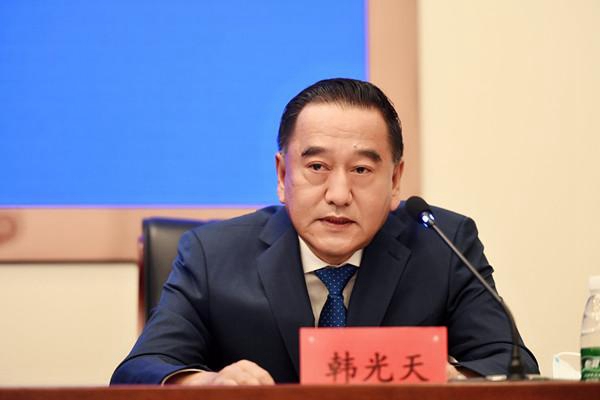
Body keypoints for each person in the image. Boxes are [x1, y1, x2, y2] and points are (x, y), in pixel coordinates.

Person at [111, 78, 538, 385]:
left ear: (395, 181)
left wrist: (453, 378)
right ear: (283, 175)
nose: (338, 194)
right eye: (317, 167)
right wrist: (206, 383)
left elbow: (512, 364)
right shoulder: (213, 255)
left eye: (362, 170)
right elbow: (140, 369)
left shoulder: (443, 245)